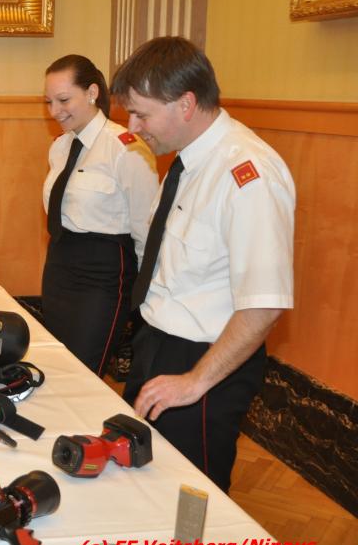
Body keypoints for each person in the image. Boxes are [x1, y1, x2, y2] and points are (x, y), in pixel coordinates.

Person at [111, 36, 295, 492]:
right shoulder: (187, 163)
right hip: (157, 344)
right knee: (144, 483)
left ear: (186, 104)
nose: (132, 127)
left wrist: (195, 382)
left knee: (191, 498)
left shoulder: (248, 173)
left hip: (204, 363)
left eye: (141, 114)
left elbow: (264, 304)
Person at [41, 54, 158, 377]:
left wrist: (145, 298)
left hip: (103, 274)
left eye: (64, 100)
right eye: (49, 102)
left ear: (92, 92)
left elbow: (147, 230)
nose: (54, 111)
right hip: (60, 265)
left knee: (84, 371)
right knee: (56, 364)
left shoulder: (126, 148)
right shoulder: (60, 147)